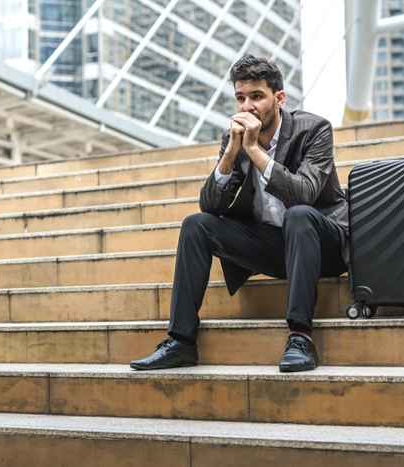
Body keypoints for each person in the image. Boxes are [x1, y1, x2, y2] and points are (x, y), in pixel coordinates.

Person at [130, 54, 348, 373]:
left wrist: (255, 152)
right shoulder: (233, 139)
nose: (246, 107)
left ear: (279, 98)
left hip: (320, 243)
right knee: (196, 225)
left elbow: (304, 193)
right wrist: (231, 154)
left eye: (257, 97)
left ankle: (300, 337)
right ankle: (180, 341)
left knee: (299, 215)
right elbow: (211, 205)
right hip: (272, 247)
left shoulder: (314, 129)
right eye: (241, 98)